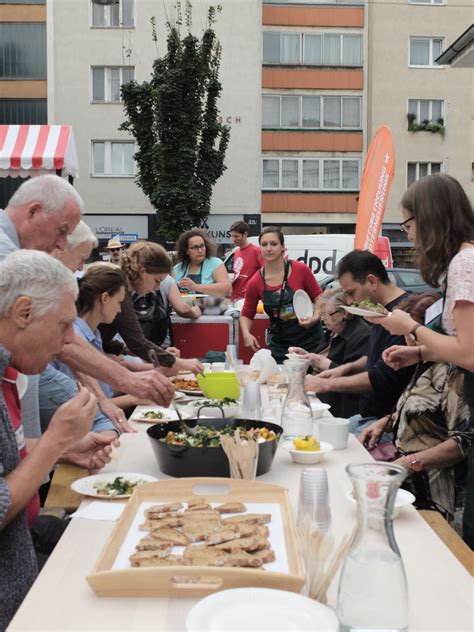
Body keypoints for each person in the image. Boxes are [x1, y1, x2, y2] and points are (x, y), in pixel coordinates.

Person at [0, 175, 174, 435]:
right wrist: (127, 381)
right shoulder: (6, 252)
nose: (61, 244)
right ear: (33, 211)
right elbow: (62, 339)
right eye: (61, 231)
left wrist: (104, 398)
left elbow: (64, 340)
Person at [0, 250, 116, 630]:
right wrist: (54, 441)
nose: (69, 340)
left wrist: (66, 451)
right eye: (63, 324)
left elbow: (9, 459)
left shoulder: (10, 369)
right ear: (23, 312)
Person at [372, 174, 474, 548]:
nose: (409, 234)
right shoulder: (464, 261)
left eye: (409, 224)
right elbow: (458, 344)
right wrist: (418, 351)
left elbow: (469, 353)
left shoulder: (465, 263)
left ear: (430, 218)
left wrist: (411, 327)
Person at [358, 292, 472, 522]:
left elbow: (463, 442)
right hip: (405, 482)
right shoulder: (423, 363)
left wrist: (406, 463)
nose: (406, 340)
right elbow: (423, 410)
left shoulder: (451, 372)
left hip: (429, 493)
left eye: (410, 333)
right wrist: (385, 422)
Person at [305, 250, 415, 421]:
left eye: (350, 293)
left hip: (383, 422)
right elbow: (376, 355)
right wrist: (346, 368)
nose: (349, 302)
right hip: (369, 415)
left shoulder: (405, 313)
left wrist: (326, 384)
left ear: (371, 281)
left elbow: (384, 377)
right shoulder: (382, 309)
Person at [240, 226, 323, 364]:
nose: (269, 248)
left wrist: (315, 317)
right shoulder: (255, 282)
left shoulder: (300, 269)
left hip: (311, 341)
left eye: (274, 244)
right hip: (281, 345)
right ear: (260, 248)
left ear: (283, 247)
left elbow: (320, 298)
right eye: (264, 244)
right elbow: (246, 314)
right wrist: (246, 333)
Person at [289, 288, 371, 417]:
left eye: (327, 315)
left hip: (337, 408)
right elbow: (321, 358)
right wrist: (306, 357)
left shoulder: (361, 335)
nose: (323, 320)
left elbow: (355, 379)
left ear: (344, 313)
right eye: (322, 315)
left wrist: (326, 364)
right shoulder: (332, 331)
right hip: (317, 395)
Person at [122, 241, 201, 356]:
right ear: (143, 271)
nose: (157, 288)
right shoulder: (118, 291)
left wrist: (160, 354)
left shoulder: (122, 287)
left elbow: (127, 346)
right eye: (157, 281)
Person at [173, 228, 232, 298]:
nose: (200, 250)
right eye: (195, 247)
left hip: (210, 308)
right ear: (186, 251)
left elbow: (227, 289)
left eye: (202, 246)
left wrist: (195, 287)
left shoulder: (215, 263)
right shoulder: (178, 268)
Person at [229, 220, 263, 300]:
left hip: (248, 298)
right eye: (232, 236)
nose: (233, 239)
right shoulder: (236, 252)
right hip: (235, 297)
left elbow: (265, 273)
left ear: (245, 235)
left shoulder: (257, 251)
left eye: (236, 236)